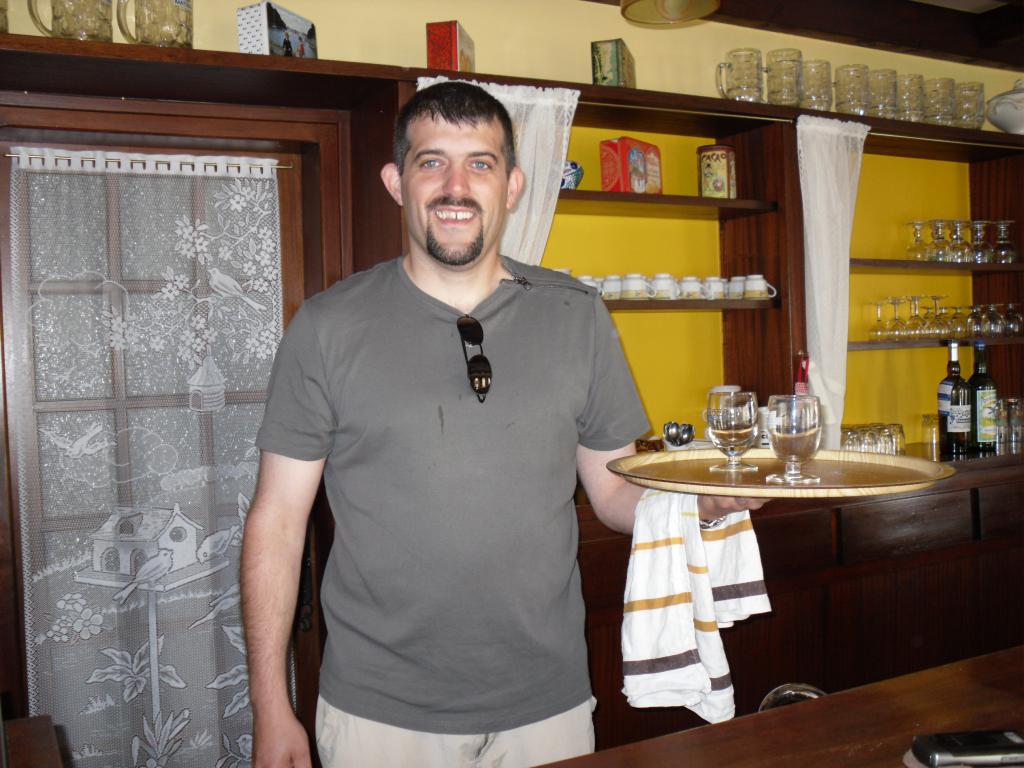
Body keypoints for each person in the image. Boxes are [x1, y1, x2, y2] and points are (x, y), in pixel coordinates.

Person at [242, 81, 763, 768]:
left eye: (480, 164)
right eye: (432, 162)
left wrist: (699, 503)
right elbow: (278, 522)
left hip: (547, 705)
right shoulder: (327, 327)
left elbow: (613, 492)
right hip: (379, 714)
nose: (456, 187)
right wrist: (270, 706)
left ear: (512, 186)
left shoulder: (577, 315)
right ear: (396, 182)